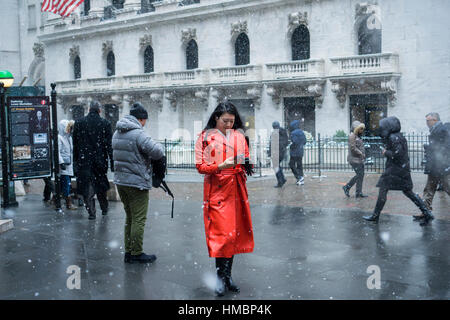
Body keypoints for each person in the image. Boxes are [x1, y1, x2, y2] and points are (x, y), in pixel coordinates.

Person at [195, 102, 254, 296]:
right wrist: (221, 165)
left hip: (237, 189)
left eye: (232, 121)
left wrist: (246, 162)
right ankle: (221, 277)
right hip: (218, 190)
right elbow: (201, 167)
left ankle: (227, 276)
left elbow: (246, 157)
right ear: (216, 119)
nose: (229, 124)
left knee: (234, 235)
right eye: (225, 121)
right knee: (222, 236)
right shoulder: (204, 137)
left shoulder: (239, 136)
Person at [112, 102, 164, 264]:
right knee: (139, 219)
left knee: (130, 218)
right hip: (137, 183)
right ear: (141, 120)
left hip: (121, 182)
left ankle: (128, 251)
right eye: (145, 121)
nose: (145, 124)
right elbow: (158, 151)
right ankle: (136, 252)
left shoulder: (117, 133)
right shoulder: (138, 134)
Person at [363, 116, 434, 226]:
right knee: (407, 192)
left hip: (395, 170)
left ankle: (375, 216)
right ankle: (427, 213)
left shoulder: (393, 137)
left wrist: (385, 152)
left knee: (385, 191)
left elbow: (397, 154)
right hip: (400, 169)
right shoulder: (398, 136)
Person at [72, 101, 114, 220]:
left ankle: (91, 211)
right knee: (100, 186)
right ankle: (104, 208)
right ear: (99, 110)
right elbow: (109, 145)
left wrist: (75, 162)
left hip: (84, 161)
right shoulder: (105, 123)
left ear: (89, 109)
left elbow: (75, 145)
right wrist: (112, 161)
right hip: (100, 161)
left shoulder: (79, 123)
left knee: (87, 188)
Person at [418, 112, 449, 219]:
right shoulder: (436, 129)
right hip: (435, 165)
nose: (426, 123)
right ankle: (425, 211)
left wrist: (430, 148)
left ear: (435, 120)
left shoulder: (442, 130)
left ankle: (425, 211)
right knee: (429, 189)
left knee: (447, 187)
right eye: (426, 120)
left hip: (441, 166)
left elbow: (445, 147)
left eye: (428, 120)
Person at [343, 121, 368, 198]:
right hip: (354, 160)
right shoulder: (352, 136)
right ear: (356, 129)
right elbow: (353, 148)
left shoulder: (357, 136)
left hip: (359, 160)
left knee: (361, 175)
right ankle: (347, 187)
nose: (362, 131)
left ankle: (358, 192)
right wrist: (361, 153)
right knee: (359, 174)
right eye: (360, 129)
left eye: (362, 129)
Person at [58, 119, 77, 210]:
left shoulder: (69, 138)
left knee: (66, 184)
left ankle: (55, 199)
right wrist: (61, 162)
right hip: (64, 165)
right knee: (66, 184)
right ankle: (68, 203)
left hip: (69, 164)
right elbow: (57, 152)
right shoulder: (59, 138)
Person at [268, 121, 289, 188]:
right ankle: (282, 179)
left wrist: (270, 152)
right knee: (277, 166)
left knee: (276, 167)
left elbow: (272, 144)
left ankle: (280, 181)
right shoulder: (284, 132)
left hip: (276, 152)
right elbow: (286, 142)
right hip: (282, 152)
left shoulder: (274, 133)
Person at [289, 120, 307, 185]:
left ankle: (298, 177)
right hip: (300, 151)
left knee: (291, 164)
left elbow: (294, 142)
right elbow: (305, 141)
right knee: (299, 165)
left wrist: (291, 146)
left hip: (294, 152)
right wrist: (300, 145)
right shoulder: (301, 132)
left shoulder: (293, 133)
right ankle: (301, 178)